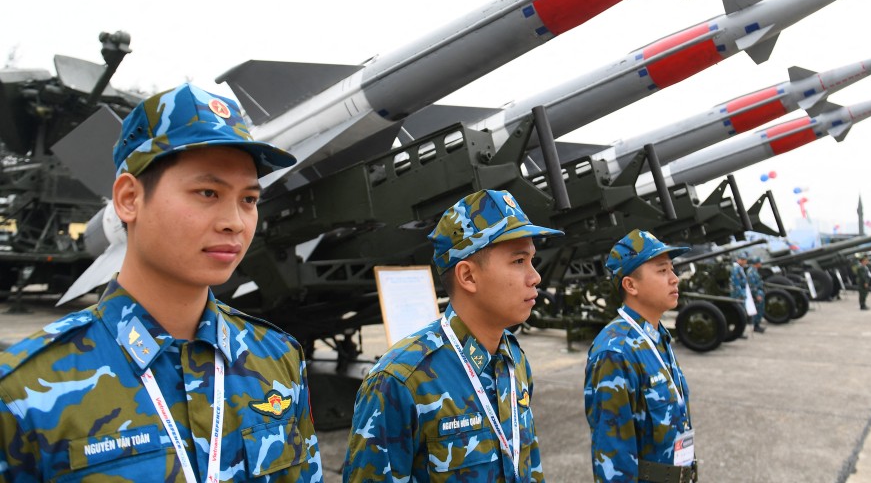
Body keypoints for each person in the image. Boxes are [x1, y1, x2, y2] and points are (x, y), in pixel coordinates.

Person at [0, 84, 322, 480]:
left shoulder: (278, 360)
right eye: (208, 192)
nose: (235, 223)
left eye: (249, 200)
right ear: (129, 199)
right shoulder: (21, 392)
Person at [342, 189, 561, 482]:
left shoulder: (512, 360)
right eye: (519, 261)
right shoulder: (400, 381)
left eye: (532, 260)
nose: (535, 277)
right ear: (468, 276)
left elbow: (526, 460)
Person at [585, 229, 696, 483]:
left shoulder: (657, 337)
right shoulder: (615, 352)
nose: (674, 279)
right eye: (662, 270)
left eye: (672, 269)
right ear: (631, 285)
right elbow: (613, 458)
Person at [745, 254, 766, 333]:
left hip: (759, 292)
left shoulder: (754, 271)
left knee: (759, 309)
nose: (760, 264)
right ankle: (756, 326)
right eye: (759, 262)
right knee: (757, 309)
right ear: (756, 263)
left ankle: (757, 325)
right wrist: (756, 294)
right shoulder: (751, 272)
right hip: (756, 293)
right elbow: (752, 285)